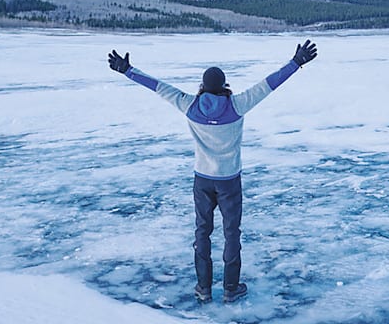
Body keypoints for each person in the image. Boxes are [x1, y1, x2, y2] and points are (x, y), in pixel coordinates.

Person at [107, 40, 318, 304]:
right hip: (229, 181)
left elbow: (157, 87)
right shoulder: (237, 105)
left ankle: (203, 288)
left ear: (203, 86)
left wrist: (128, 70)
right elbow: (269, 84)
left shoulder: (189, 104)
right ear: (224, 85)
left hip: (203, 180)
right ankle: (231, 288)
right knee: (232, 233)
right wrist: (296, 62)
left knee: (202, 231)